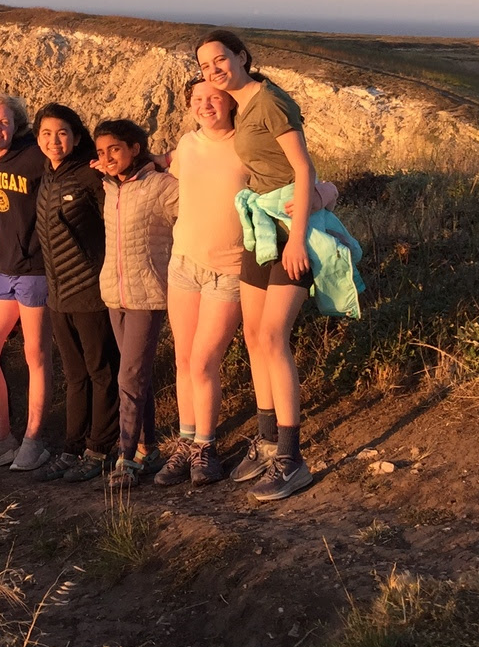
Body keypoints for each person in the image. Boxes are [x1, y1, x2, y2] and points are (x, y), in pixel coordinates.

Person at [198, 29, 321, 500]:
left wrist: (301, 237)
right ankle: (268, 442)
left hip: (289, 230)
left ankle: (292, 458)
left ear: (242, 56)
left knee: (272, 336)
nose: (214, 71)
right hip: (261, 226)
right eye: (206, 67)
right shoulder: (244, 105)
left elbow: (304, 167)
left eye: (220, 60)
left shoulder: (268, 101)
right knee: (253, 337)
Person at [153, 79, 247, 486]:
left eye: (213, 98)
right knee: (183, 359)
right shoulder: (188, 145)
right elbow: (165, 162)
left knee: (204, 361)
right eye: (197, 100)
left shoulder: (248, 143)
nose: (206, 105)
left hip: (230, 268)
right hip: (184, 264)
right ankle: (186, 443)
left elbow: (288, 180)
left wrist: (323, 192)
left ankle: (206, 446)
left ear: (229, 101)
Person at [0, 95, 54, 473]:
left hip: (35, 269)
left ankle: (34, 440)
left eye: (4, 123)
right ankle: (2, 439)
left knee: (36, 355)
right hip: (4, 268)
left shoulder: (35, 156)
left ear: (16, 125)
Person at [33, 104, 121, 483]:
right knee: (74, 374)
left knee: (101, 371)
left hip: (90, 290)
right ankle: (73, 446)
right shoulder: (48, 175)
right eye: (47, 134)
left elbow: (114, 222)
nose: (54, 141)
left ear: (77, 136)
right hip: (58, 295)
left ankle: (100, 448)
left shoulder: (90, 175)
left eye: (63, 133)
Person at [93, 118, 179, 489]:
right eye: (101, 151)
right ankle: (148, 447)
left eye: (115, 148)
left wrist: (166, 162)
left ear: (135, 148)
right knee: (134, 375)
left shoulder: (161, 187)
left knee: (129, 376)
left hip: (148, 294)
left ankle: (126, 459)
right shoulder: (109, 188)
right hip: (114, 294)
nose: (108, 157)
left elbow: (195, 212)